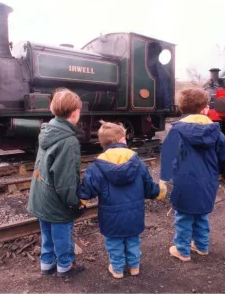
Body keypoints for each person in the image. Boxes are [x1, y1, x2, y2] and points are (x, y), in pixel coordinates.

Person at [78, 120, 167, 279]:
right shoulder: (137, 162)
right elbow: (148, 186)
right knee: (133, 241)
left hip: (110, 217)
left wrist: (81, 200)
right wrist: (159, 192)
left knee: (114, 243)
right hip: (134, 215)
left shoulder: (97, 166)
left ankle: (118, 269)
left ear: (102, 143)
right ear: (122, 140)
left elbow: (88, 189)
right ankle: (134, 267)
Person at [160, 88, 225, 262]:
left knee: (184, 217)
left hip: (183, 183)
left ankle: (182, 251)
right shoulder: (216, 132)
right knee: (201, 215)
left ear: (181, 109)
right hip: (208, 182)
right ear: (205, 109)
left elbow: (167, 157)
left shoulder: (176, 131)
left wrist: (164, 178)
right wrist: (223, 169)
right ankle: (202, 246)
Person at [27, 88, 85, 276]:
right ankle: (65, 266)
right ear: (75, 112)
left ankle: (47, 263)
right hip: (56, 201)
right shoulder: (68, 141)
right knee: (62, 234)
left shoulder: (48, 130)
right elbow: (66, 181)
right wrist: (73, 203)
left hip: (41, 196)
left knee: (47, 233)